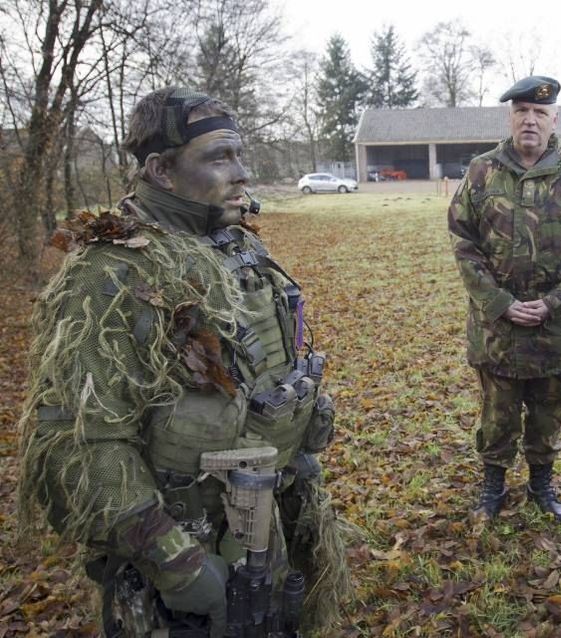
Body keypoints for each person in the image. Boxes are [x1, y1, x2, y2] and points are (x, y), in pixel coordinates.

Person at [17, 88, 348, 636]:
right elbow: (75, 445)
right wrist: (176, 562)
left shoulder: (235, 249)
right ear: (161, 171)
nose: (242, 174)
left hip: (261, 529)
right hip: (177, 564)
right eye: (220, 157)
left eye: (240, 155)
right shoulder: (109, 275)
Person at [448, 76, 561, 524]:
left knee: (549, 412)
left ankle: (541, 483)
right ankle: (492, 483)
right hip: (498, 329)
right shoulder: (481, 172)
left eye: (540, 112)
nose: (531, 119)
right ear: (510, 117)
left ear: (554, 120)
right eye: (522, 110)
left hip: (555, 329)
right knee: (498, 413)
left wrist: (554, 303)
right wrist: (498, 301)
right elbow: (463, 242)